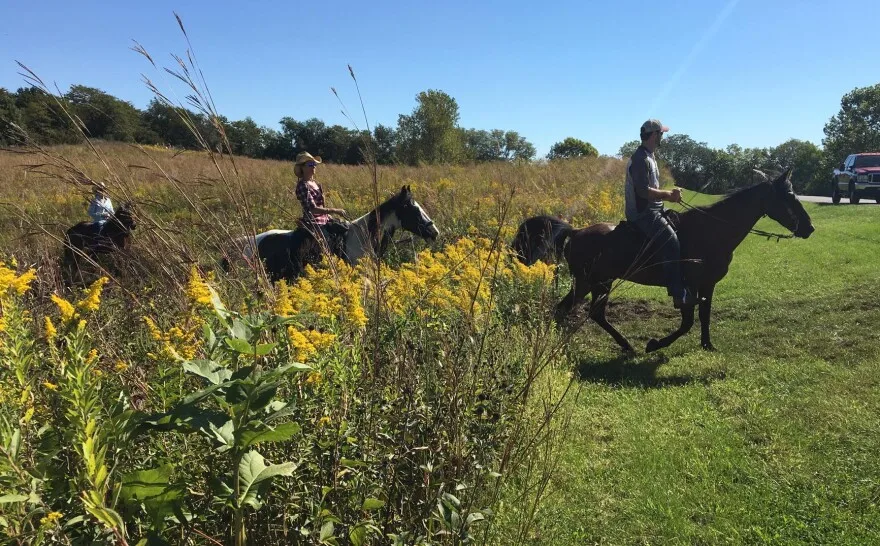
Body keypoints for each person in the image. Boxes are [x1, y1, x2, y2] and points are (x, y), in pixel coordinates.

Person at [624, 119, 693, 308]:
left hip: (654, 209)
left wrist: (668, 195)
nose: (662, 136)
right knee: (671, 242)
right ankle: (678, 294)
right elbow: (643, 192)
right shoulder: (640, 159)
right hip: (642, 214)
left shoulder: (649, 156)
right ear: (654, 135)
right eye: (661, 133)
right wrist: (669, 195)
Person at [293, 152, 349, 256]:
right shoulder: (303, 185)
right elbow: (312, 209)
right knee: (327, 245)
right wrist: (335, 210)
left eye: (314, 164)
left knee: (345, 229)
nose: (313, 166)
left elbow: (321, 205)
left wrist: (329, 215)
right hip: (313, 222)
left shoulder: (316, 184)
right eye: (310, 165)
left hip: (325, 219)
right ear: (302, 168)